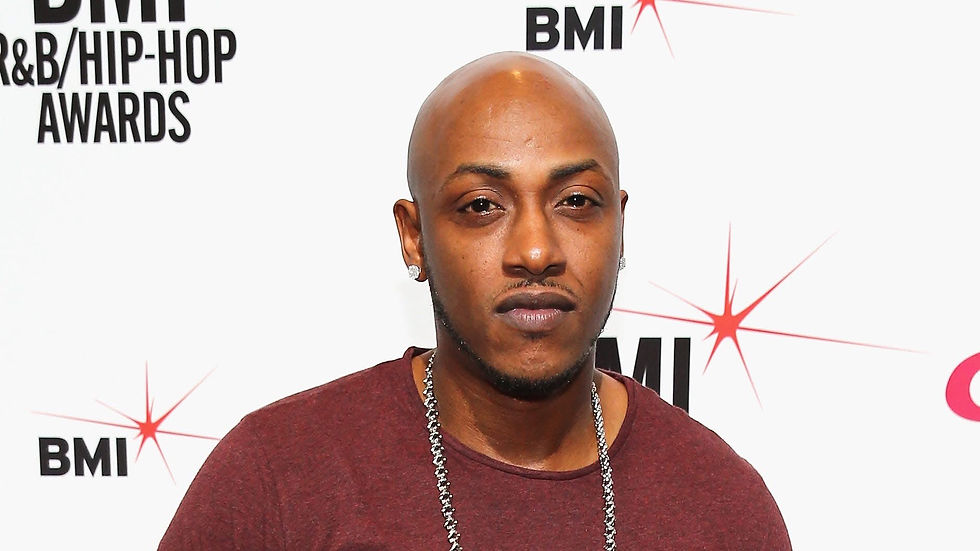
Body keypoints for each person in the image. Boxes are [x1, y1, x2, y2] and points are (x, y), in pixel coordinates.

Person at [159, 52, 791, 550]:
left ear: (619, 225)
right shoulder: (278, 478)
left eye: (576, 201)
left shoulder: (722, 507)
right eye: (482, 206)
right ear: (414, 237)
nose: (536, 251)